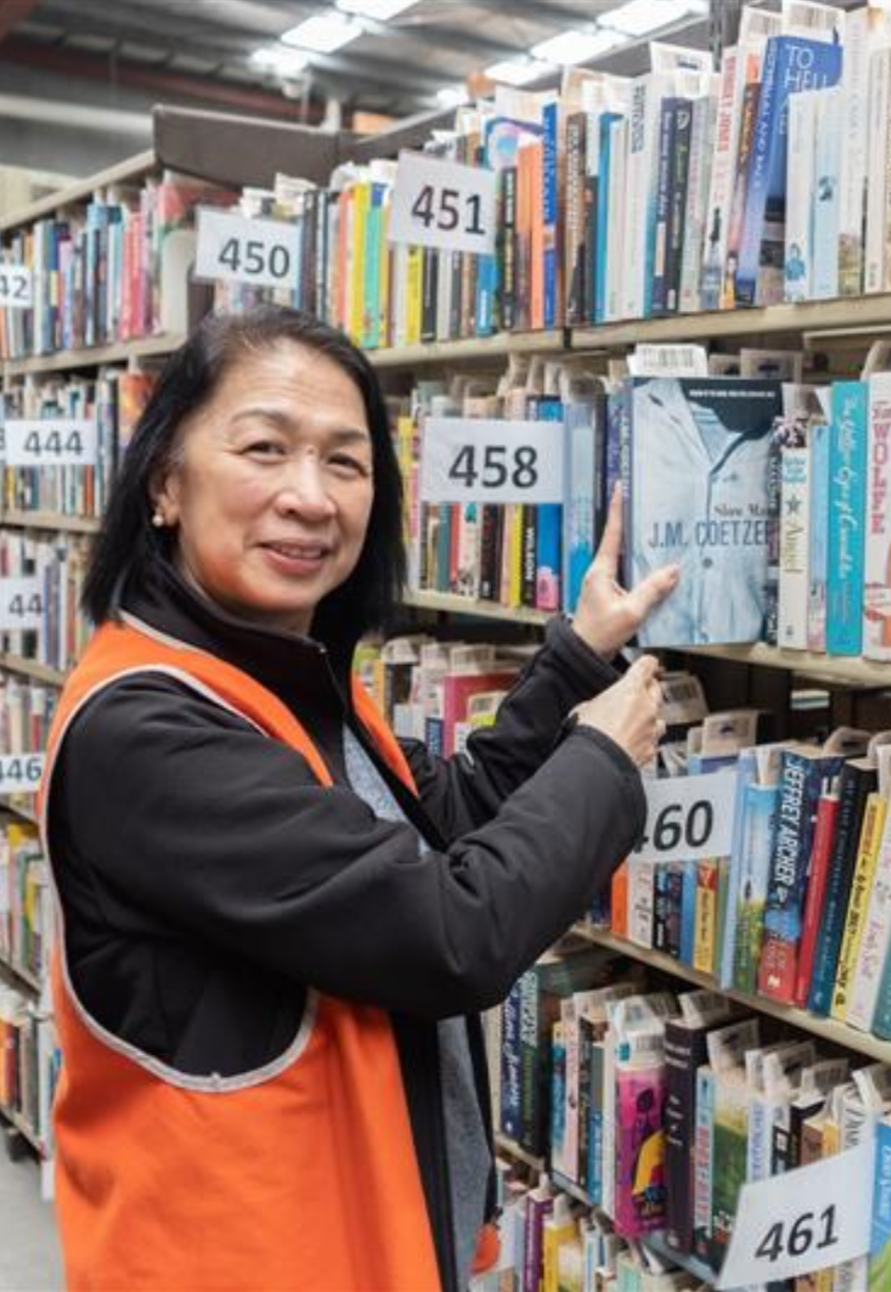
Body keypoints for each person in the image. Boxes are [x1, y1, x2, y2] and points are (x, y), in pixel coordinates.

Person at [38, 305, 679, 1292]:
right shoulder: (147, 731)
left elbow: (444, 827)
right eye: (265, 448)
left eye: (347, 462)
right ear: (165, 481)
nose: (310, 495)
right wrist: (604, 758)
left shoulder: (287, 677)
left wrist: (576, 660)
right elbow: (449, 931)